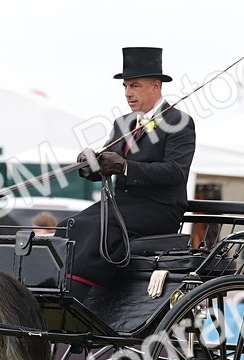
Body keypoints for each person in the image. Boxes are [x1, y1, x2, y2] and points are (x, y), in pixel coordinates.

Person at [64, 47, 196, 300]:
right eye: (125, 86)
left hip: (160, 209)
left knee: (98, 227)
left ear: (155, 86)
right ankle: (64, 290)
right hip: (123, 206)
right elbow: (107, 164)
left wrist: (125, 167)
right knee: (70, 225)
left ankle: (77, 294)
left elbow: (176, 172)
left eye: (134, 86)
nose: (127, 93)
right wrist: (90, 164)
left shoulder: (179, 122)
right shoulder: (122, 123)